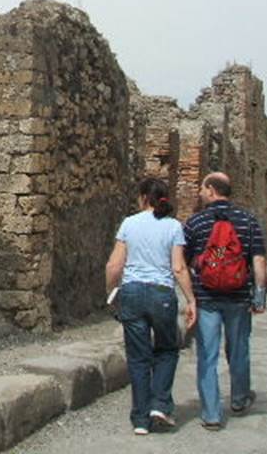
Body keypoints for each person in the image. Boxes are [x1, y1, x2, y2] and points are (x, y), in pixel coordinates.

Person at [106, 177, 197, 435]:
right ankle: (159, 404)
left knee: (138, 357)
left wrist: (111, 292)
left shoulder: (129, 223)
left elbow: (114, 265)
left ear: (144, 197)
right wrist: (191, 299)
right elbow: (178, 267)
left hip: (132, 292)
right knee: (168, 349)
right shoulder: (173, 226)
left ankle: (140, 419)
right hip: (162, 294)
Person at [183, 171, 267, 431]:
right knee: (239, 349)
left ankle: (211, 414)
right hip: (239, 297)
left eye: (202, 188)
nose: (199, 192)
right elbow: (259, 261)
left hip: (206, 298)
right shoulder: (248, 221)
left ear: (211, 190)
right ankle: (240, 399)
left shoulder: (195, 222)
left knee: (207, 355)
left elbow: (183, 263)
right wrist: (259, 295)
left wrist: (189, 299)